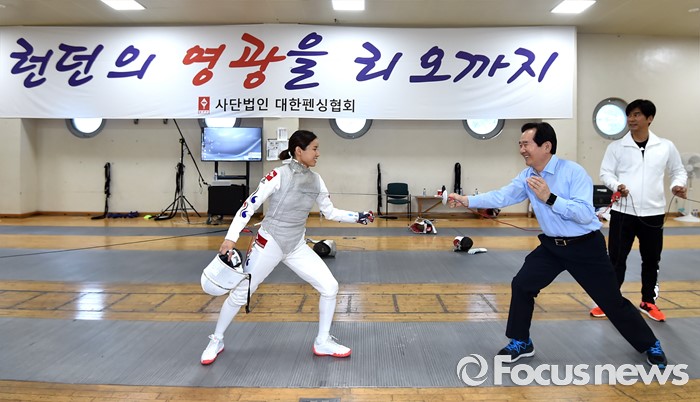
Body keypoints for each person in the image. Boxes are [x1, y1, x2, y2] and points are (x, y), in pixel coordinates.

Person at [447, 122, 667, 368]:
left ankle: (650, 344)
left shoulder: (573, 172)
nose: (521, 150)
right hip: (552, 247)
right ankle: (521, 341)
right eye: (520, 144)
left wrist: (550, 198)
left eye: (526, 144)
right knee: (522, 285)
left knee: (611, 301)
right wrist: (466, 200)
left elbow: (585, 214)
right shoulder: (528, 176)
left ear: (546, 146)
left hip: (585, 247)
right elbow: (503, 195)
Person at [200, 129, 374, 365]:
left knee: (330, 286)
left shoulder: (316, 180)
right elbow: (249, 205)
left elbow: (330, 212)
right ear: (299, 151)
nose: (318, 154)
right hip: (269, 243)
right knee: (242, 292)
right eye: (314, 149)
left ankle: (322, 341)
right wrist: (231, 238)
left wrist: (358, 216)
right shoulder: (278, 175)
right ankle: (216, 339)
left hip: (295, 245)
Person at [592, 99, 687, 322]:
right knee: (616, 259)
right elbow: (606, 173)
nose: (631, 119)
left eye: (636, 115)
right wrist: (617, 186)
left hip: (653, 213)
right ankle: (609, 302)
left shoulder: (665, 146)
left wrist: (677, 185)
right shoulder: (616, 147)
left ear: (649, 118)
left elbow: (678, 171)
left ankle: (648, 301)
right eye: (629, 115)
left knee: (652, 260)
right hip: (623, 212)